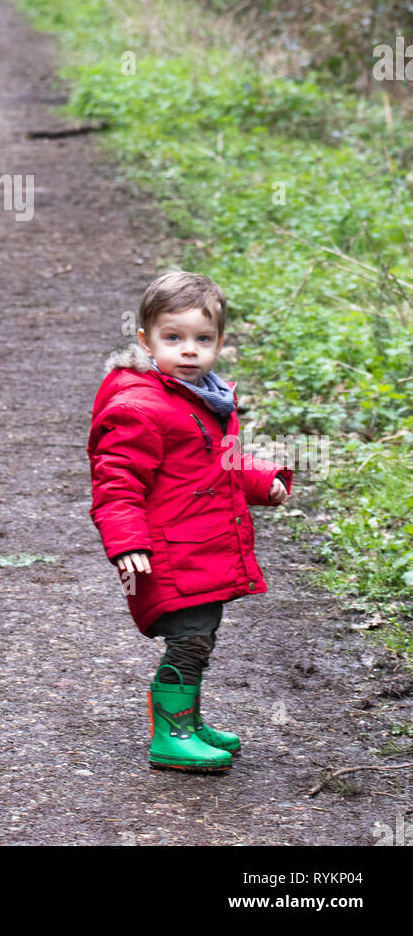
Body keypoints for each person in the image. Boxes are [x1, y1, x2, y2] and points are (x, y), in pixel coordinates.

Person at [87, 270, 292, 772]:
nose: (188, 351)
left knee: (201, 635)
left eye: (202, 339)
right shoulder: (141, 407)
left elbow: (210, 465)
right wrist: (128, 543)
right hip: (168, 552)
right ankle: (171, 734)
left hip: (198, 545)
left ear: (220, 342)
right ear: (145, 340)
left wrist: (262, 480)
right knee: (191, 637)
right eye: (172, 338)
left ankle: (189, 722)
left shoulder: (203, 397)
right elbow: (116, 483)